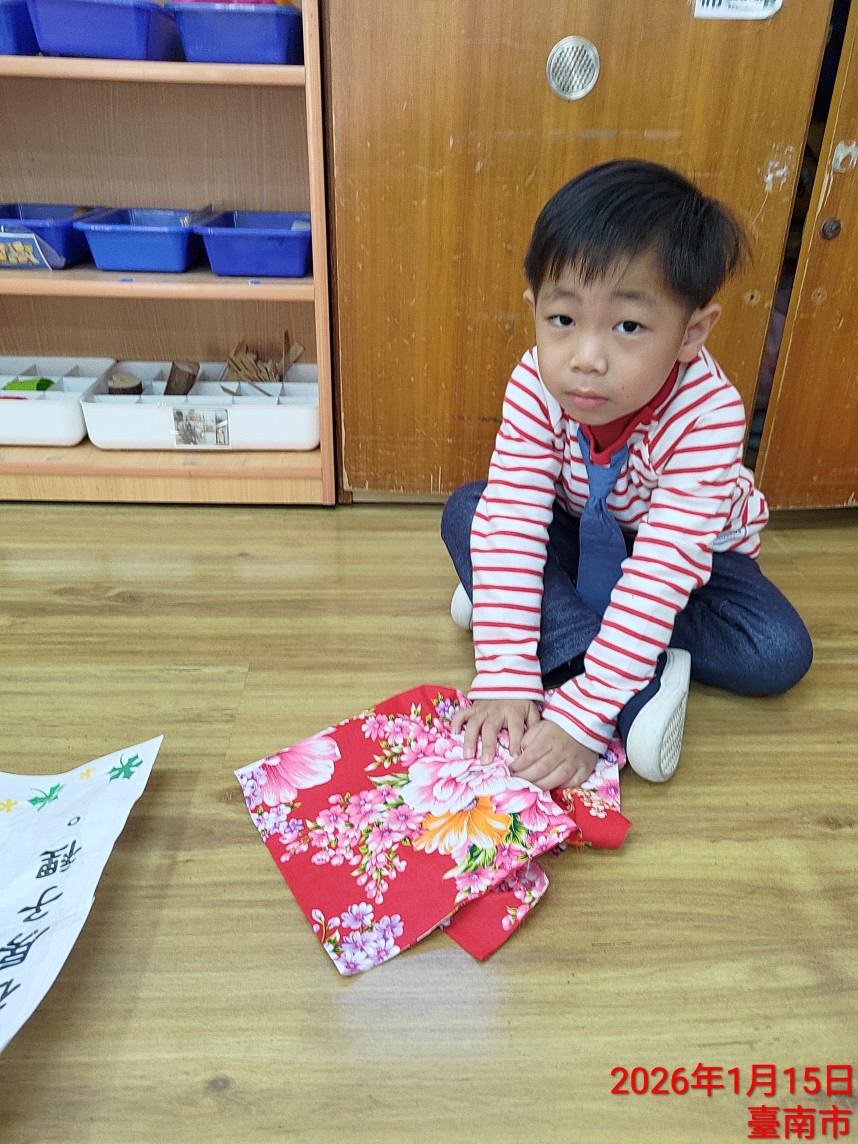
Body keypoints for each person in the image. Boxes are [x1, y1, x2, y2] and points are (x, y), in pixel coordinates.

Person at [441, 159, 812, 792]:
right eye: (563, 321)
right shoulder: (534, 383)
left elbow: (665, 568)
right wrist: (504, 671)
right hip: (578, 530)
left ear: (691, 333)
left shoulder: (710, 414)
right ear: (534, 310)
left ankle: (545, 611)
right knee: (473, 512)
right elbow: (515, 515)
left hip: (686, 559)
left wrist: (585, 716)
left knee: (778, 651)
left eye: (629, 327)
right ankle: (621, 672)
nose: (586, 359)